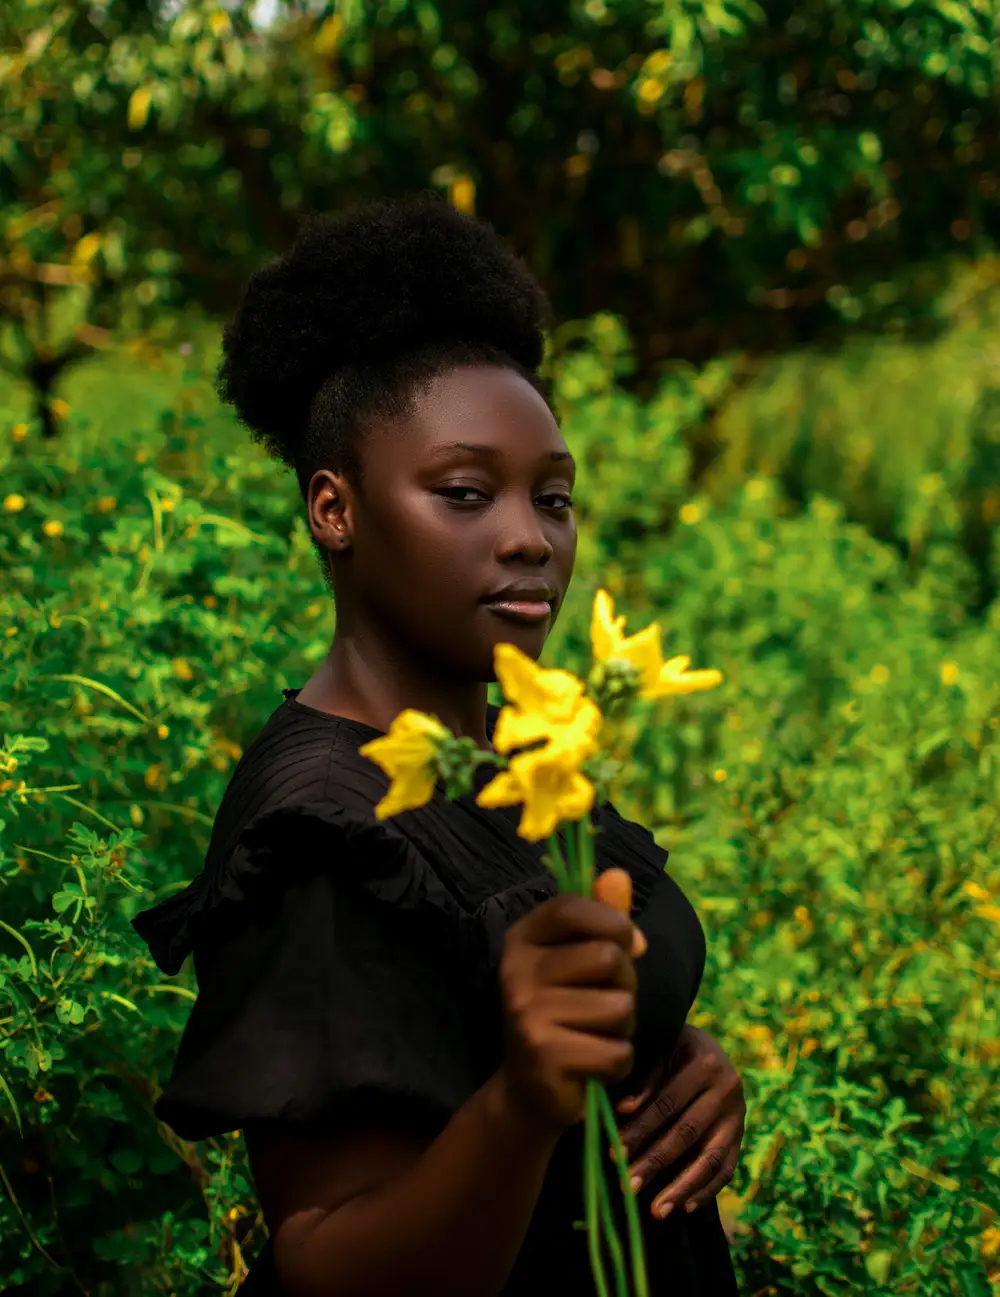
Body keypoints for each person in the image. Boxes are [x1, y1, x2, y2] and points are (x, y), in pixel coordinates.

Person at [131, 192, 743, 1296]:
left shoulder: (517, 733)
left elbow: (564, 1008)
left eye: (552, 498)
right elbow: (326, 1260)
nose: (528, 539)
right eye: (464, 493)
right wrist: (523, 1106)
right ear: (335, 509)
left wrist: (670, 1063)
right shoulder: (319, 828)